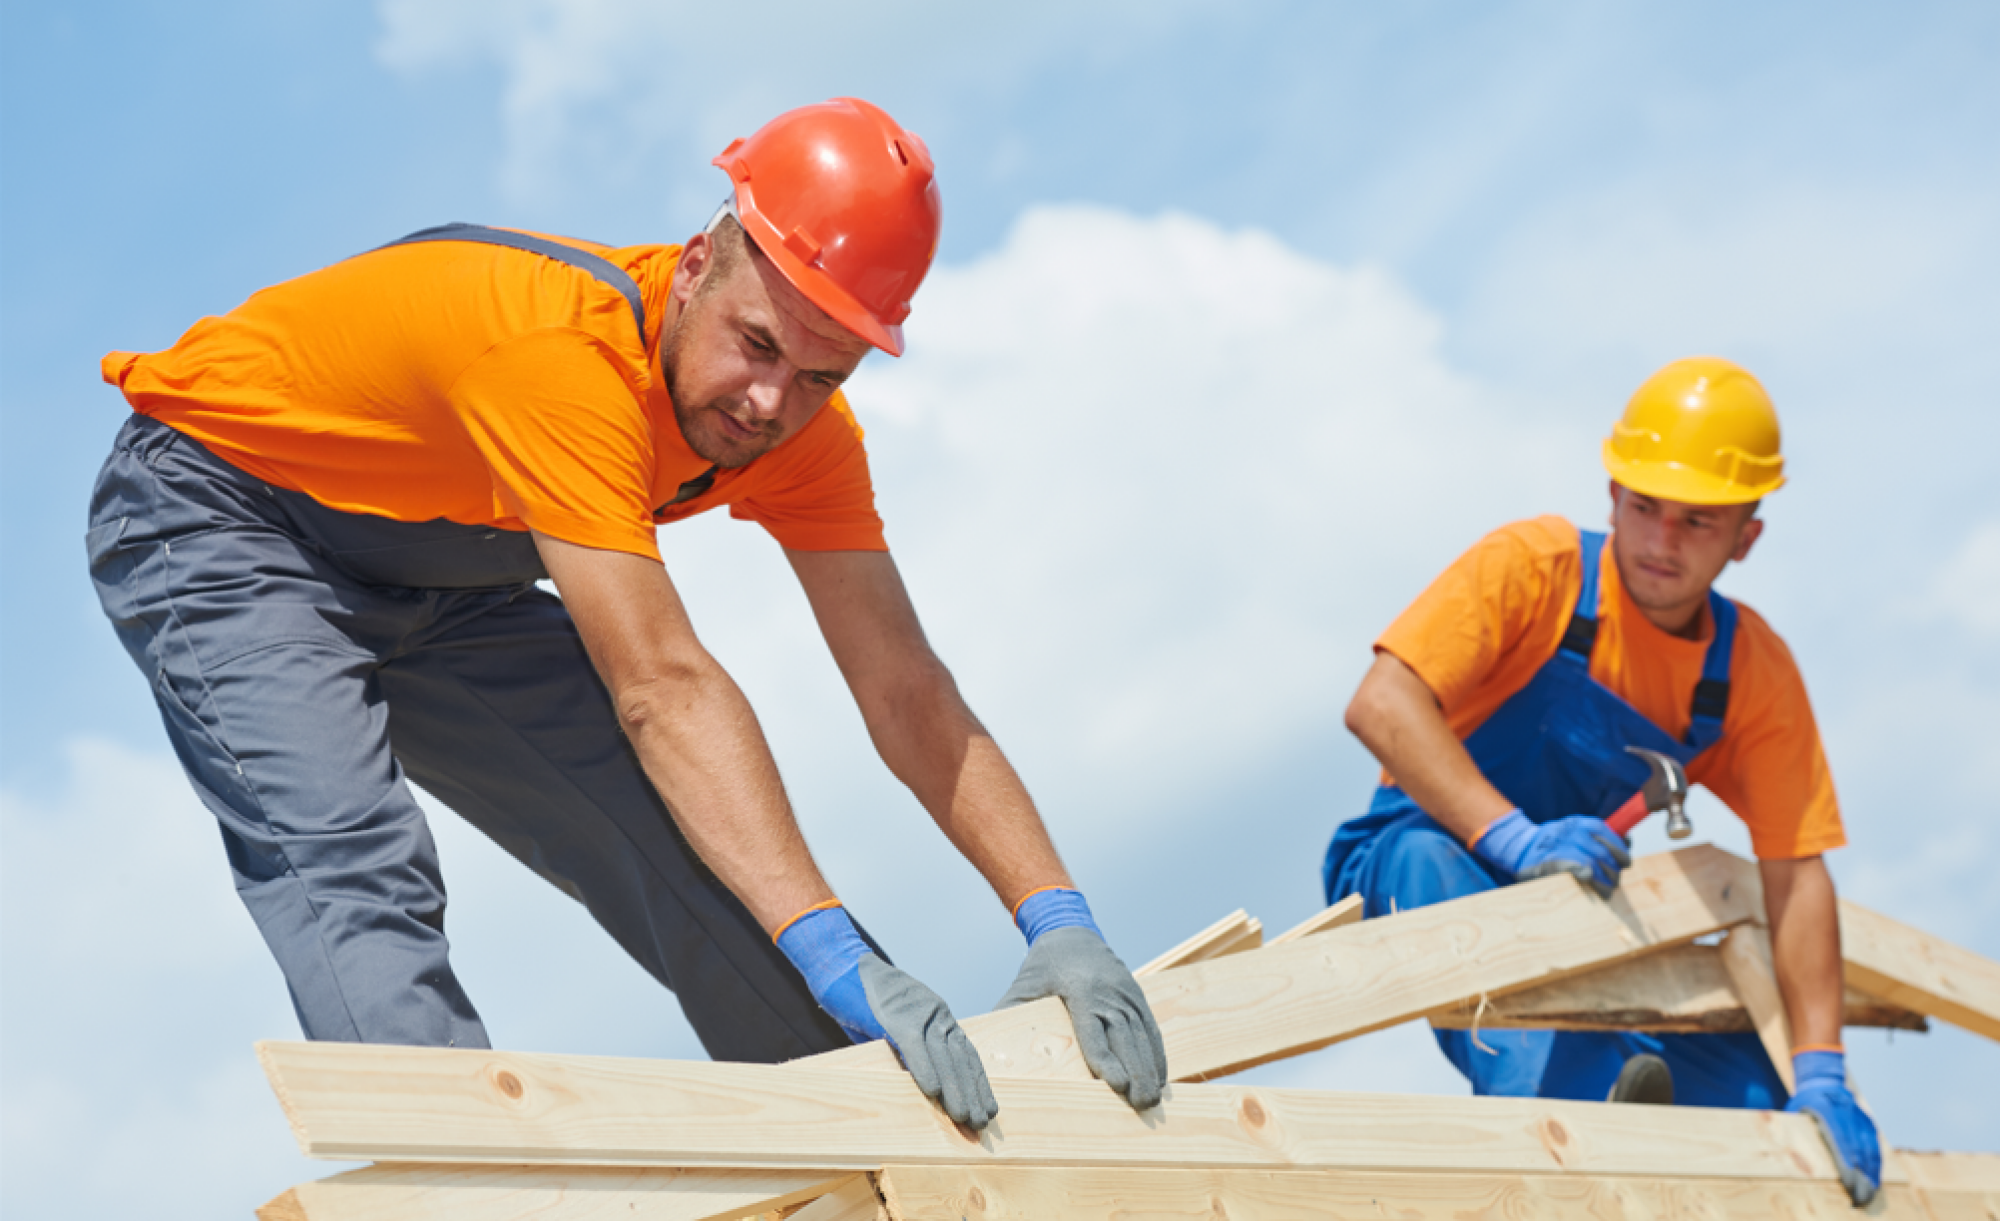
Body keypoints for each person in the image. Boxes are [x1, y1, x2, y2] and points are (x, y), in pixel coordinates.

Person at [86, 97, 1163, 1131]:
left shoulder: (800, 437)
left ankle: (886, 1146)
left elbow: (904, 685)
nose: (768, 403)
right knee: (352, 855)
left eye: (818, 376)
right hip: (223, 516)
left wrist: (1058, 918)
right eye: (756, 344)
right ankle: (463, 1173)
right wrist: (840, 951)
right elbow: (659, 684)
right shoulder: (558, 359)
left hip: (444, 578)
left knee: (694, 848)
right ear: (696, 266)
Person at [1321, 357, 1880, 1205]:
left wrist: (1822, 1067)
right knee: (1429, 866)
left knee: (1760, 1101)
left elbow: (1797, 872)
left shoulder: (1749, 672)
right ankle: (1586, 1130)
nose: (1661, 541)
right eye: (1644, 506)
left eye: (1698, 520)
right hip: (1418, 855)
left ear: (1746, 536)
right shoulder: (1535, 568)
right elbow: (1381, 703)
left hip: (1585, 905)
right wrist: (1513, 837)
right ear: (1612, 492)